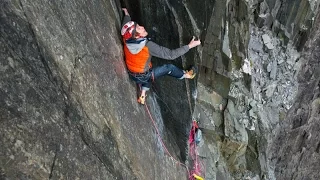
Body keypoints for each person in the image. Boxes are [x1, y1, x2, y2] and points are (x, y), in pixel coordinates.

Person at [121, 8, 201, 105]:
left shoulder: (127, 39)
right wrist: (190, 46)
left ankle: (143, 94)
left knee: (148, 71)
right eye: (138, 28)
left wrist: (126, 14)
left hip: (132, 74)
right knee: (169, 68)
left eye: (138, 25)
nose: (142, 27)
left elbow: (124, 28)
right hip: (144, 76)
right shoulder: (147, 46)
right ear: (137, 36)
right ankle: (187, 75)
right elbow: (171, 54)